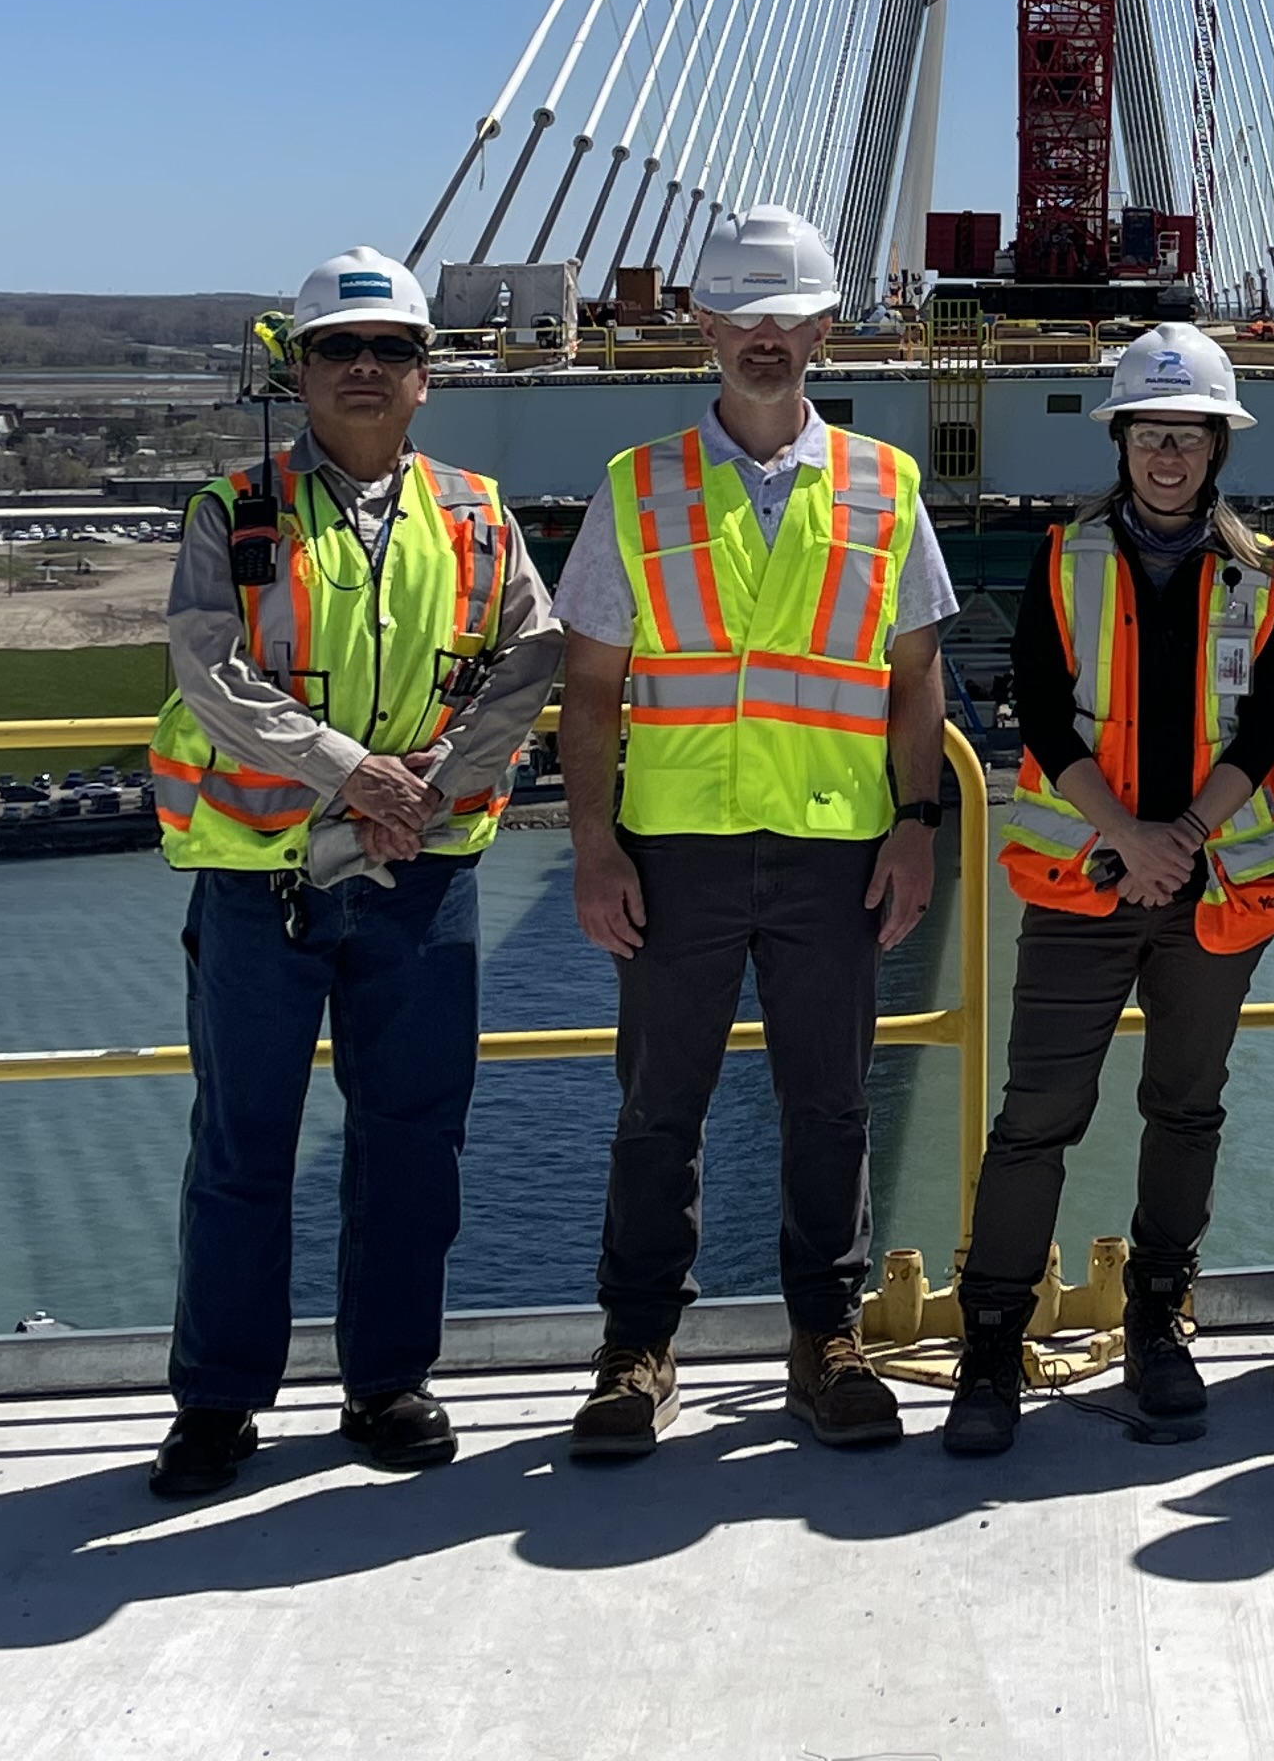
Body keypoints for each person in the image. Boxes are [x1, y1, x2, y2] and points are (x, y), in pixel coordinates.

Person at [145, 247, 562, 1500]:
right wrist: (350, 775)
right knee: (243, 1146)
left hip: (422, 881)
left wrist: (423, 787)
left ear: (427, 377)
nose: (365, 371)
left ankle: (389, 1383)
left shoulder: (481, 517)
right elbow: (209, 669)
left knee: (412, 1141)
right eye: (340, 350)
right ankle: (218, 1404)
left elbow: (529, 657)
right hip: (263, 882)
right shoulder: (236, 512)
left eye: (390, 352)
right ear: (302, 371)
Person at [555, 204, 957, 1459]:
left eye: (788, 319)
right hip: (674, 849)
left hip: (837, 849)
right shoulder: (639, 486)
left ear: (829, 328)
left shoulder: (884, 485)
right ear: (705, 326)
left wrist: (918, 827)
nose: (765, 341)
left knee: (829, 1104)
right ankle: (638, 1347)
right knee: (657, 1106)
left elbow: (916, 675)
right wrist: (595, 848)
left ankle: (824, 1337)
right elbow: (592, 689)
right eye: (742, 318)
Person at [942, 322, 1274, 1455]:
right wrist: (1128, 835)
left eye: (1188, 438)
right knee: (1036, 1121)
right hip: (1084, 883)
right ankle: (991, 1346)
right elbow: (1043, 717)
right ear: (1123, 440)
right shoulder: (1065, 560)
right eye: (1151, 435)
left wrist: (1186, 834)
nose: (1168, 456)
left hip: (1212, 891)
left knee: (1185, 1111)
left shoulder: (1266, 573)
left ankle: (1161, 1321)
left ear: (1215, 449)